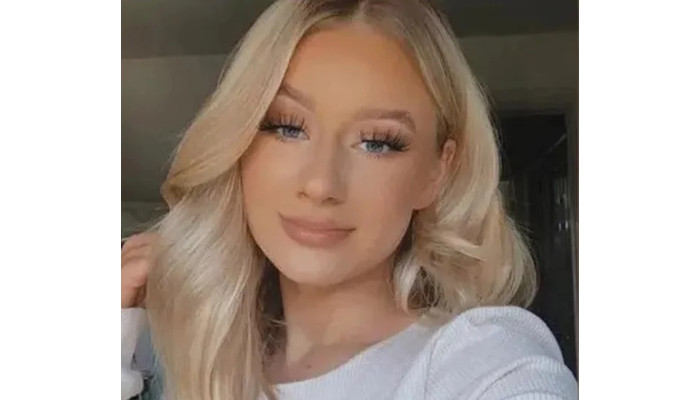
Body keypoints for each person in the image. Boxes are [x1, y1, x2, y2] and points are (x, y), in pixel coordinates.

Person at [121, 0, 578, 399]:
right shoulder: (185, 358)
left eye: (378, 142)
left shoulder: (483, 360)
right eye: (287, 127)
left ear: (437, 172)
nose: (321, 183)